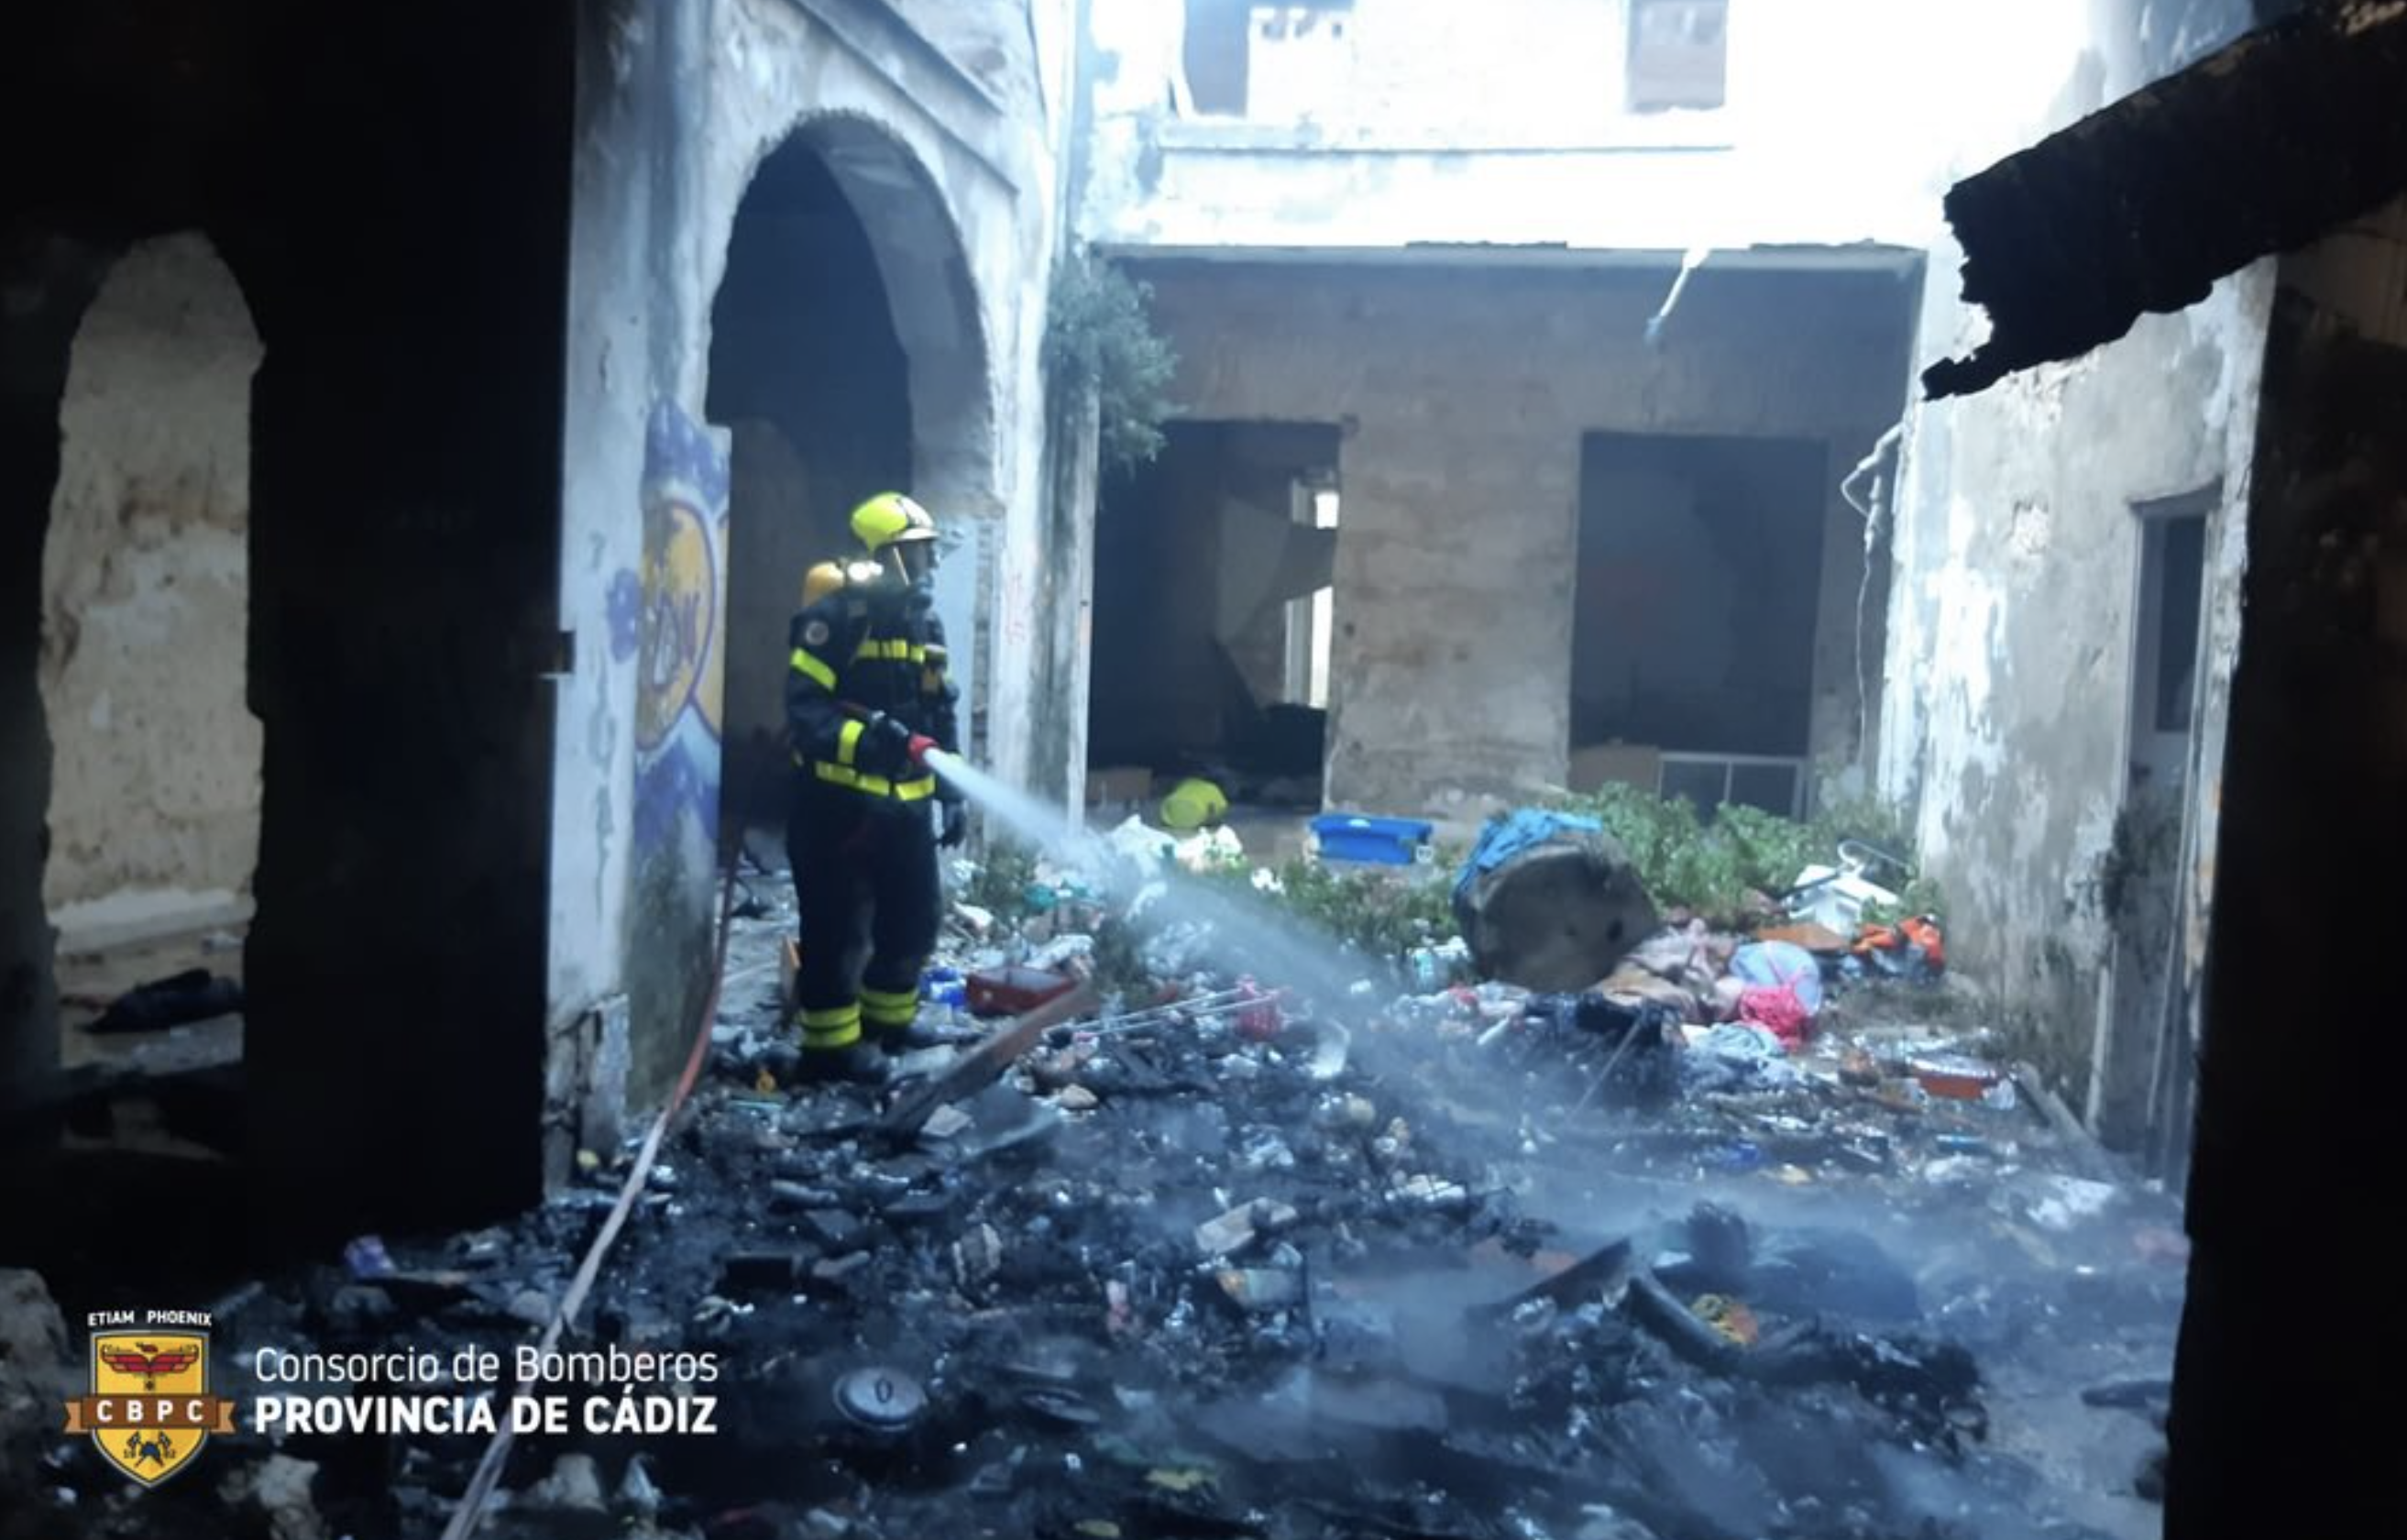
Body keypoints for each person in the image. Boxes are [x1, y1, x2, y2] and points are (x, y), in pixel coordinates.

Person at [784, 492, 969, 1084]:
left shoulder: (926, 624)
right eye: (916, 554)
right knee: (837, 930)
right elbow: (805, 712)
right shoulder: (834, 621)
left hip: (905, 812)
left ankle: (888, 1025)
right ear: (882, 556)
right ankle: (831, 1051)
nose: (928, 566)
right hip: (836, 812)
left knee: (914, 920)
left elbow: (939, 710)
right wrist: (867, 743)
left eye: (930, 553)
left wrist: (952, 792)